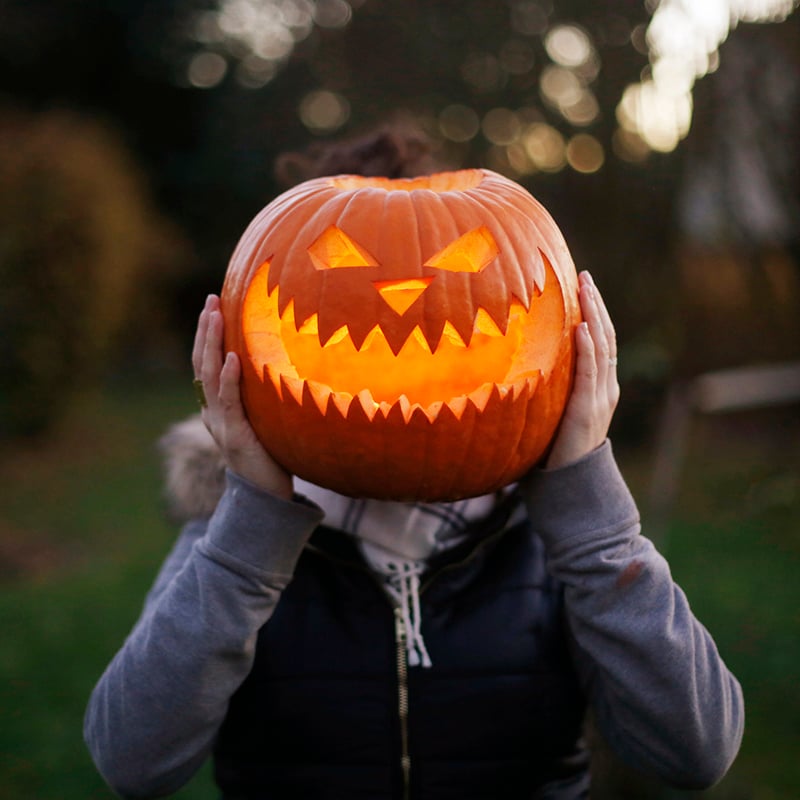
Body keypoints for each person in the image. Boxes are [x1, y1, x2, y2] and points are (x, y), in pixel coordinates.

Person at [84, 129, 744, 799]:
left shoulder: (560, 547)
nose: (401, 292)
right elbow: (131, 763)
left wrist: (589, 510)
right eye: (338, 259)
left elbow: (695, 752)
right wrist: (252, 517)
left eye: (460, 257)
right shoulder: (231, 544)